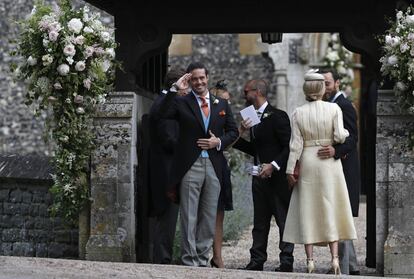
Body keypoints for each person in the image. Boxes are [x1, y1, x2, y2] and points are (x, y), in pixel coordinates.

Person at [152, 62, 239, 267]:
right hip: (190, 165)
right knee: (189, 215)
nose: (199, 82)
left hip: (214, 166)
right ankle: (189, 259)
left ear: (207, 78)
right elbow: (159, 114)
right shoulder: (181, 102)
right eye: (194, 79)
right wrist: (174, 90)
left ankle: (201, 258)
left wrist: (218, 142)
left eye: (202, 78)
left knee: (209, 216)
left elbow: (233, 132)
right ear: (189, 81)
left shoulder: (221, 104)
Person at [283, 70, 357, 275]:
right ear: (323, 88)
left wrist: (290, 170)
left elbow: (295, 146)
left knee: (308, 209)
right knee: (330, 207)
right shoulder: (334, 109)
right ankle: (334, 260)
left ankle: (310, 260)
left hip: (308, 161)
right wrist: (344, 135)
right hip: (328, 164)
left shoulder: (298, 112)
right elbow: (340, 135)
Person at [233, 79, 294, 272]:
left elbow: (288, 147)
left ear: (257, 92)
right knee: (259, 222)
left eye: (246, 91)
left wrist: (273, 166)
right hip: (258, 178)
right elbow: (255, 149)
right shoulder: (251, 117)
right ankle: (257, 260)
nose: (243, 95)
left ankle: (286, 261)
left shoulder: (278, 116)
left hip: (277, 179)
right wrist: (239, 133)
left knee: (283, 220)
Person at [318, 68, 361, 275]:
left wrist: (336, 150)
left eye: (327, 83)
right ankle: (351, 265)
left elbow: (353, 138)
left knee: (339, 216)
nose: (324, 87)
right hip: (332, 167)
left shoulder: (344, 106)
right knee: (337, 215)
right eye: (321, 83)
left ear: (337, 83)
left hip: (344, 168)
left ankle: (343, 266)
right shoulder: (324, 106)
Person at [148, 67, 187, 264]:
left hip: (166, 168)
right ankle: (162, 259)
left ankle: (164, 257)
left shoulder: (165, 101)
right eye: (185, 86)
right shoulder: (165, 103)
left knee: (168, 217)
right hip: (167, 169)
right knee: (167, 217)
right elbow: (169, 139)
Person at [209, 80, 234, 268]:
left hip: (220, 163)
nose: (228, 105)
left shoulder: (227, 114)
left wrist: (238, 132)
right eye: (224, 100)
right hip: (204, 160)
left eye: (229, 101)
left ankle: (217, 256)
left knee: (219, 212)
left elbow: (229, 139)